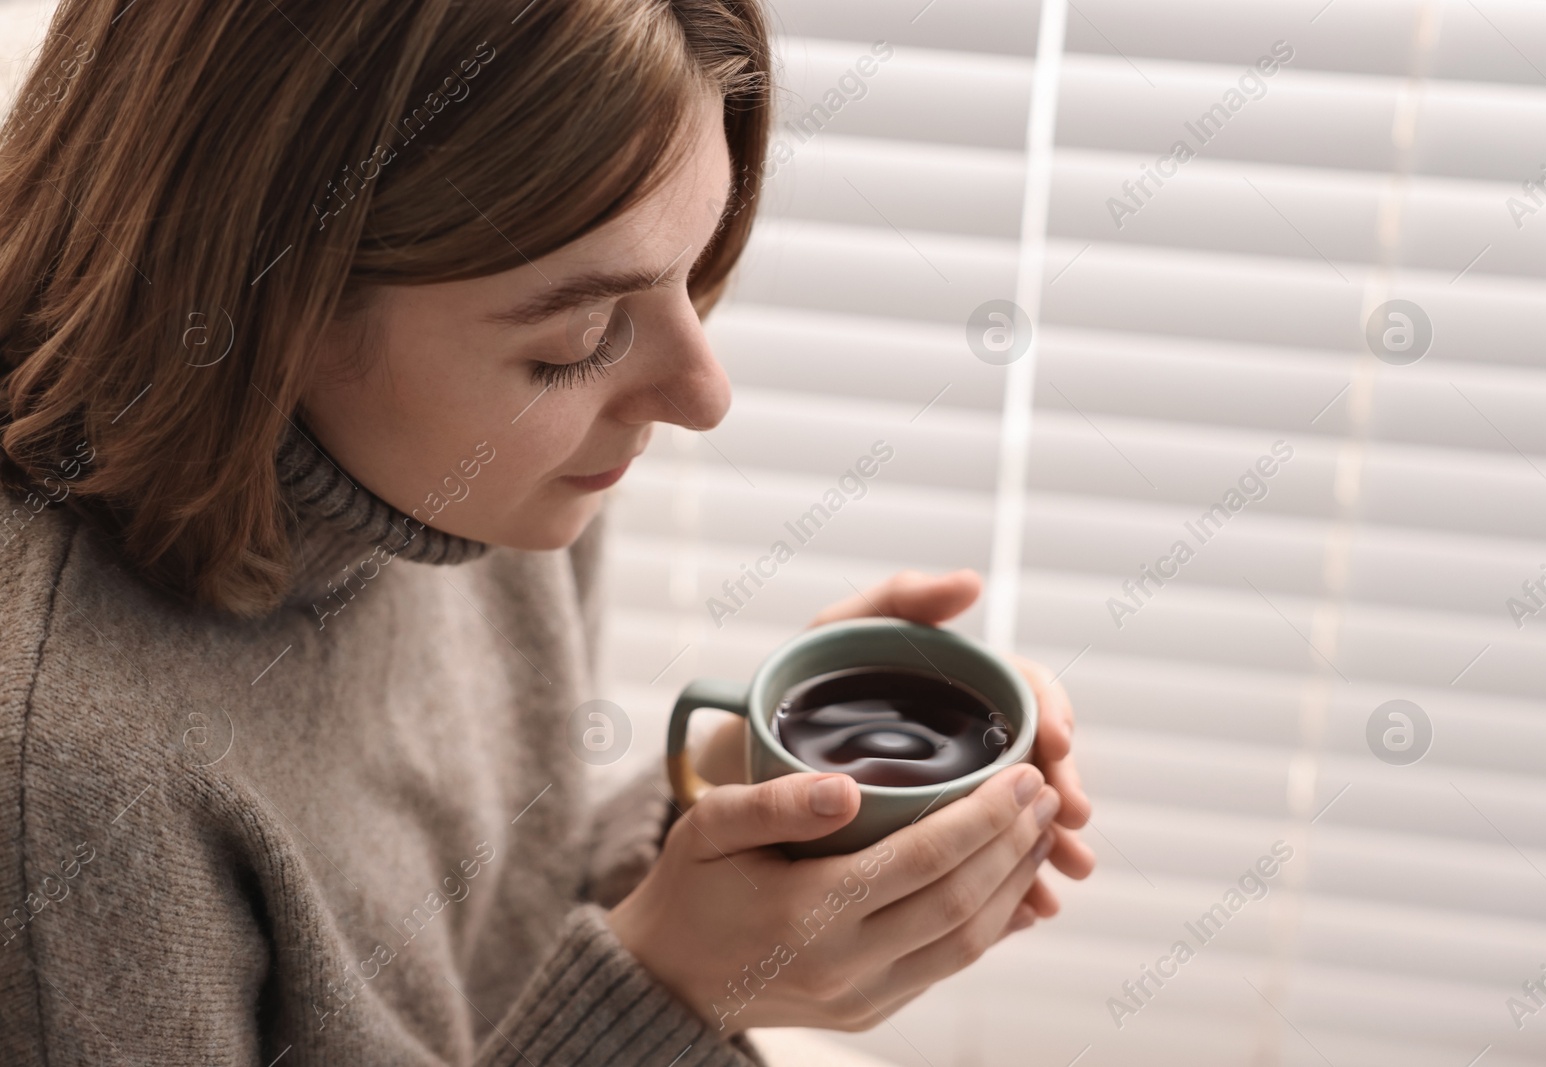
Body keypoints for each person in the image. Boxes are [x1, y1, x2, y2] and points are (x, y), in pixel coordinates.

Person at [0, 1, 1095, 1063]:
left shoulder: (472, 486)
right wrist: (666, 997)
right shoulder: (60, 792)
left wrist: (731, 784)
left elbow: (487, 957)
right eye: (577, 338)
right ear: (261, 300)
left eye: (693, 270)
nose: (704, 393)